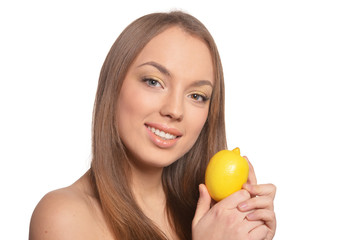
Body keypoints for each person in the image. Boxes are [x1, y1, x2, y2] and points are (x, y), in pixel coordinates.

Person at [29, 11, 276, 240]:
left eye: (197, 96)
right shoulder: (64, 216)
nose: (175, 110)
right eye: (153, 81)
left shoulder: (212, 217)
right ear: (114, 85)